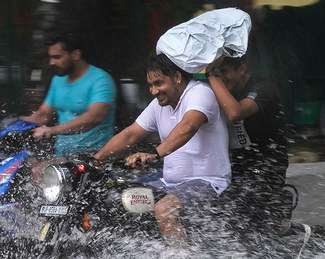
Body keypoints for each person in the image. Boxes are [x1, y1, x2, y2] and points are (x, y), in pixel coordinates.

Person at [94, 54, 231, 244]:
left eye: (158, 83)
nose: (153, 91)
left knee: (164, 209)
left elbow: (188, 126)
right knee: (116, 200)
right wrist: (96, 160)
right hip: (168, 183)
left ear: (177, 77)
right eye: (150, 85)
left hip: (208, 182)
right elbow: (131, 134)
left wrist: (155, 154)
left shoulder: (200, 92)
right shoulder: (160, 104)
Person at [205, 55, 294, 226]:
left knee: (257, 219)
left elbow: (236, 113)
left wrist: (211, 75)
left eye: (224, 71)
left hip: (267, 163)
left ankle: (311, 236)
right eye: (217, 72)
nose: (220, 77)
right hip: (238, 165)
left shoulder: (263, 87)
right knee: (238, 220)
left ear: (242, 69)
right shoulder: (219, 88)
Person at [25, 30, 117, 157]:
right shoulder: (58, 79)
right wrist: (13, 125)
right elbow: (43, 115)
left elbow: (94, 117)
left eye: (57, 57)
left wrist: (53, 130)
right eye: (50, 57)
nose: (51, 62)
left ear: (75, 54)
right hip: (61, 157)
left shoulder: (100, 80)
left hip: (95, 158)